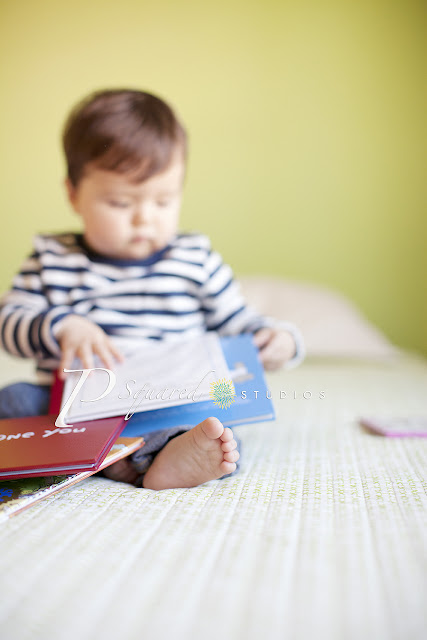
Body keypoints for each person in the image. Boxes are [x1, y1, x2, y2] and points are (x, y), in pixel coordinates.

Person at [0, 89, 305, 490]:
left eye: (163, 201)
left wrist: (280, 340)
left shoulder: (194, 258)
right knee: (15, 401)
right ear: (74, 194)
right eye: (121, 203)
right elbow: (9, 324)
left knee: (216, 427)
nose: (144, 218)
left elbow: (238, 322)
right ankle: (116, 457)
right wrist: (61, 326)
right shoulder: (52, 258)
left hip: (168, 401)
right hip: (73, 407)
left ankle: (161, 458)